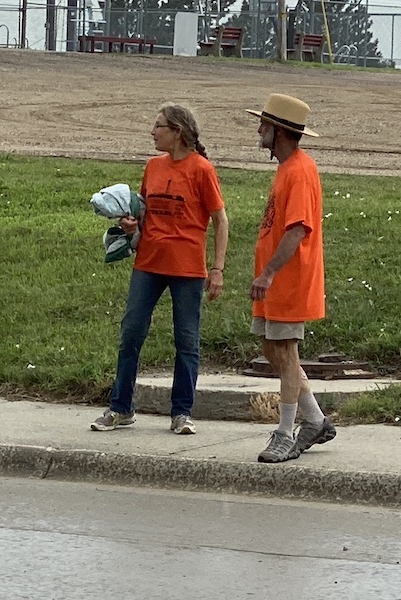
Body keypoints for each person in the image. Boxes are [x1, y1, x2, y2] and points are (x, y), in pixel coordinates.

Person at [90, 103, 229, 435]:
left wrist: (217, 268)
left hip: (187, 268)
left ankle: (181, 412)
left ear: (177, 132)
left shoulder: (202, 170)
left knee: (186, 340)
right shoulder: (153, 167)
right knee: (131, 333)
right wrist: (130, 226)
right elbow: (143, 213)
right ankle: (121, 407)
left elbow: (220, 220)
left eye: (159, 126)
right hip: (149, 263)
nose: (152, 132)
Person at [245, 93, 335, 463]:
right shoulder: (287, 168)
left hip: (289, 281)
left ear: (279, 131)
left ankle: (284, 433)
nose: (259, 130)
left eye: (264, 124)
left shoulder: (300, 171)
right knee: (272, 350)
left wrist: (268, 273)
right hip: (273, 283)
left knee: (285, 351)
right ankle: (315, 419)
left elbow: (298, 229)